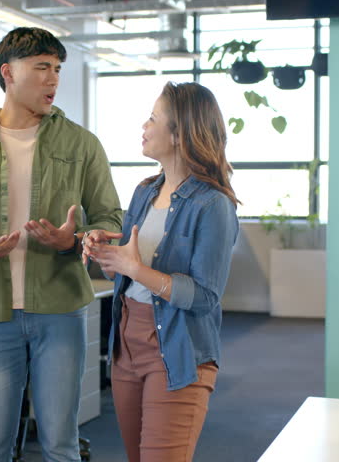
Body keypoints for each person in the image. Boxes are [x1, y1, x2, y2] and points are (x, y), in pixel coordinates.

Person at [0, 27, 122, 462]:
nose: (53, 79)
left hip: (60, 309)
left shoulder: (82, 144)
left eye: (57, 69)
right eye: (41, 67)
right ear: (8, 73)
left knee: (61, 445)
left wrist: (73, 239)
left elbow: (108, 218)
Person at [84, 82, 239, 462]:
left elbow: (205, 297)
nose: (144, 125)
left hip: (178, 348)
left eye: (153, 118)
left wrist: (136, 269)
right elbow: (126, 261)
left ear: (180, 133)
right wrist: (99, 247)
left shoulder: (213, 205)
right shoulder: (143, 192)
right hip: (126, 345)